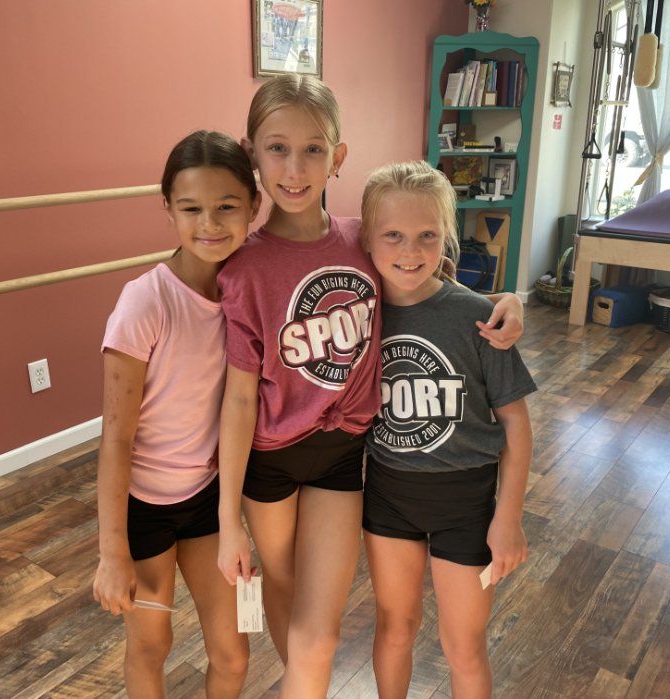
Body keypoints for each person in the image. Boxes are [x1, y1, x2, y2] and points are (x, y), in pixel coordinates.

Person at [215, 74, 526, 697]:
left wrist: (508, 300)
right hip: (268, 461)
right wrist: (227, 521)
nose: (295, 167)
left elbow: (422, 277)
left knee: (321, 636)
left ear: (338, 157)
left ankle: (302, 677)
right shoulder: (241, 267)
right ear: (252, 154)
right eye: (276, 148)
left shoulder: (361, 240)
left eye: (312, 149)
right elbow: (240, 397)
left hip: (342, 458)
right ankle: (297, 683)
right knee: (287, 605)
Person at [93, 130, 261, 699]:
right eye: (191, 208)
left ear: (254, 207)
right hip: (144, 508)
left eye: (226, 207)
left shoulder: (251, 288)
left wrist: (497, 302)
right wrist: (111, 552)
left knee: (234, 653)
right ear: (167, 210)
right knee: (150, 646)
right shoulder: (145, 303)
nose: (209, 223)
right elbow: (115, 439)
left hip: (209, 502)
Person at [359, 160, 536, 699]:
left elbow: (517, 426)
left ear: (447, 237)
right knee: (395, 627)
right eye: (392, 235)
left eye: (427, 236)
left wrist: (508, 519)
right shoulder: (356, 312)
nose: (409, 252)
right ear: (365, 237)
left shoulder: (478, 317)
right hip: (389, 496)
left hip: (468, 504)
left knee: (463, 645)